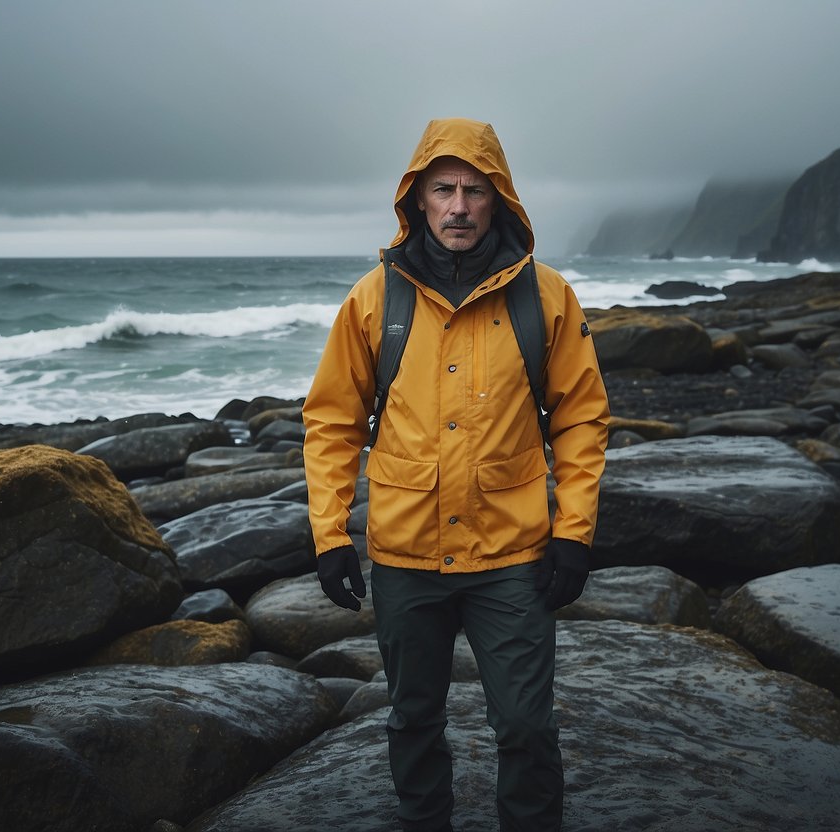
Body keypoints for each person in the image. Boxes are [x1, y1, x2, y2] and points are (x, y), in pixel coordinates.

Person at [302, 117, 610, 832]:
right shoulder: (374, 300)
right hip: (406, 554)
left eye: (475, 190)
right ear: (417, 199)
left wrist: (574, 533)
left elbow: (581, 417)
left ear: (499, 198)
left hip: (513, 556)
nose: (458, 206)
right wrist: (328, 536)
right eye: (442, 189)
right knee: (411, 720)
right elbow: (332, 422)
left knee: (527, 728)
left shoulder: (546, 297)